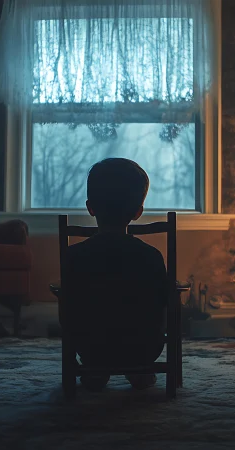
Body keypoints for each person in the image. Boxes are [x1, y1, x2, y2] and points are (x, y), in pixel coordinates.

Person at [61, 158, 168, 391]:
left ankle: (95, 369)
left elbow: (69, 307)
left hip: (92, 346)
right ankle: (139, 369)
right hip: (143, 346)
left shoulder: (74, 255)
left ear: (91, 208)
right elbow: (163, 302)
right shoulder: (151, 256)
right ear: (138, 212)